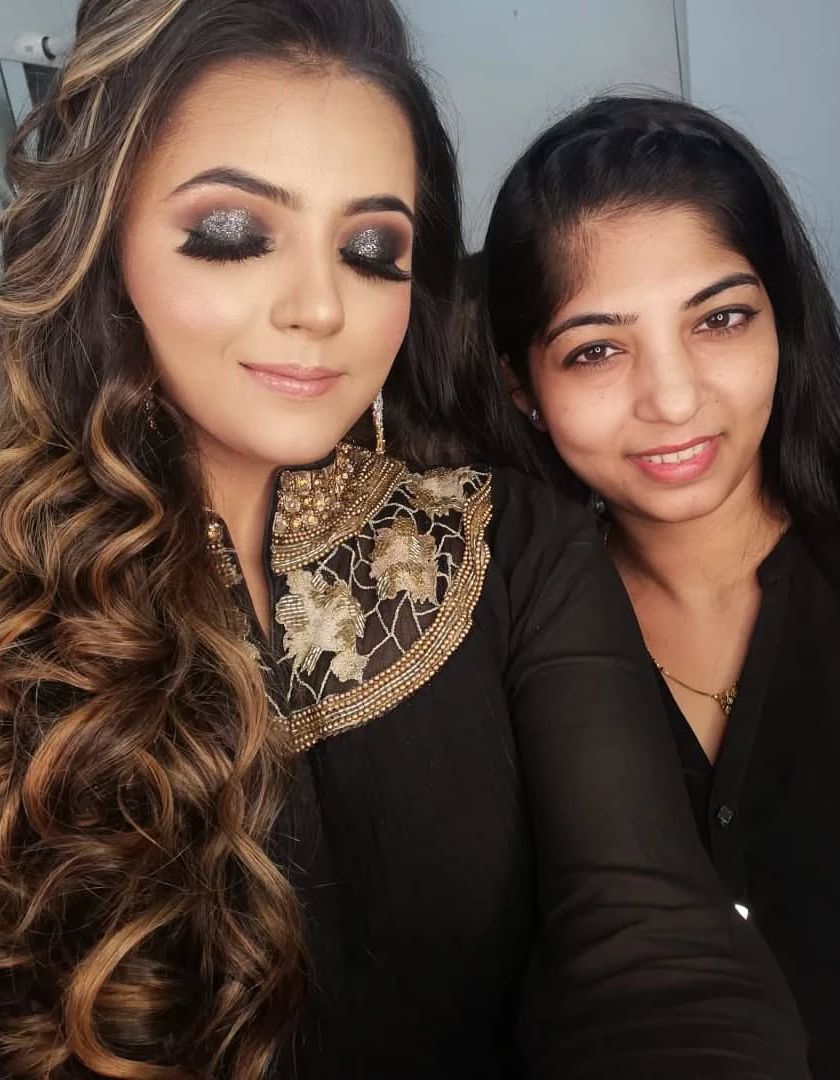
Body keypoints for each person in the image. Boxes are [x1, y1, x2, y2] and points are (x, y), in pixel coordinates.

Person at [0, 6, 811, 1074]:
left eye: (371, 248)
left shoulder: (507, 545)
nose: (321, 307)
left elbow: (652, 944)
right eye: (234, 233)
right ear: (104, 240)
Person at [475, 93, 840, 1079]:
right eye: (596, 349)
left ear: (782, 319)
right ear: (522, 387)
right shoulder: (485, 642)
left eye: (720, 320)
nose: (673, 399)